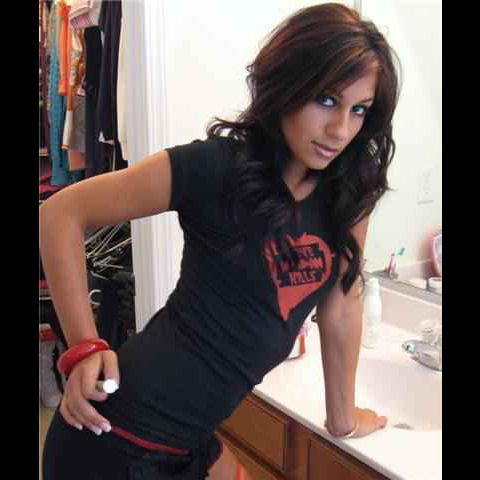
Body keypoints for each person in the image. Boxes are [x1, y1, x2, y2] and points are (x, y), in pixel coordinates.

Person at [40, 3, 401, 479]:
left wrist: (343, 417)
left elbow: (342, 306)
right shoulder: (216, 167)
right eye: (327, 100)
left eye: (359, 110)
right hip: (113, 436)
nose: (340, 131)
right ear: (287, 84)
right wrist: (83, 347)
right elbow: (60, 214)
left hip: (188, 437)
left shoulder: (348, 195)